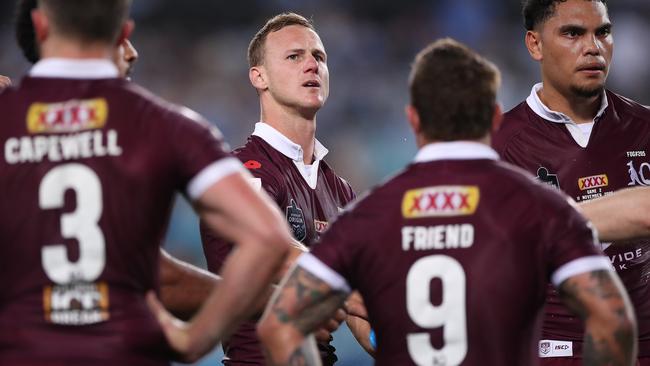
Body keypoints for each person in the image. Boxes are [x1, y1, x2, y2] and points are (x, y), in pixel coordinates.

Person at [257, 38, 637, 366]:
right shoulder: (543, 208)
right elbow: (613, 318)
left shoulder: (366, 216)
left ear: (413, 120)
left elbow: (281, 324)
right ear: (494, 118)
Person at [0, 0, 292, 364]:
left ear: (39, 27)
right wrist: (195, 340)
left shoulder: (6, 117)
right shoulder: (169, 126)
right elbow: (267, 238)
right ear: (124, 34)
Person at [492, 0, 650, 363]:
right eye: (573, 33)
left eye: (603, 32)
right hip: (554, 351)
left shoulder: (645, 128)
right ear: (535, 44)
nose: (593, 47)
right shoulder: (496, 147)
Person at [199, 12, 358, 365]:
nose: (311, 65)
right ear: (259, 77)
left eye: (319, 57)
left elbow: (364, 313)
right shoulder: (238, 172)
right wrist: (347, 290)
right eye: (294, 56)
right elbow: (268, 250)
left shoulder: (342, 192)